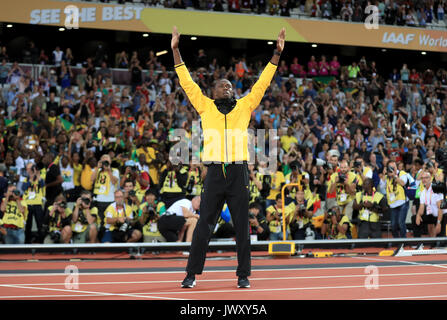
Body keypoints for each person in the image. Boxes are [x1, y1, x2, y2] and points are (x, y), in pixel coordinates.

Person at [172, 25, 286, 289]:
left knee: (242, 226)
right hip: (214, 173)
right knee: (204, 226)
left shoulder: (245, 105)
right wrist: (176, 50)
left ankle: (243, 275)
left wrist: (276, 55)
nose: (228, 88)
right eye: (223, 86)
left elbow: (262, 83)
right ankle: (191, 274)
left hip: (238, 173)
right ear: (213, 91)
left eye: (230, 86)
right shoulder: (205, 106)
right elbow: (186, 82)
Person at [21, 162, 45, 243]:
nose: (28, 170)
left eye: (29, 168)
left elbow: (42, 185)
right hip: (27, 204)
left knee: (40, 224)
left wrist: (37, 174)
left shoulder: (39, 178)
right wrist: (31, 178)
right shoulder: (25, 179)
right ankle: (27, 243)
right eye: (27, 168)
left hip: (37, 204)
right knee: (28, 225)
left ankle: (41, 242)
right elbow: (23, 188)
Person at [415, 171, 443, 237]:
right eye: (422, 178)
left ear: (430, 178)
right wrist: (418, 215)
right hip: (431, 214)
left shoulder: (436, 189)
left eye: (426, 178)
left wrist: (439, 223)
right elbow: (421, 207)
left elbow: (440, 208)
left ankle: (436, 241)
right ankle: (418, 242)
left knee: (441, 241)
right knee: (414, 218)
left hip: (441, 214)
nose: (424, 180)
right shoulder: (423, 192)